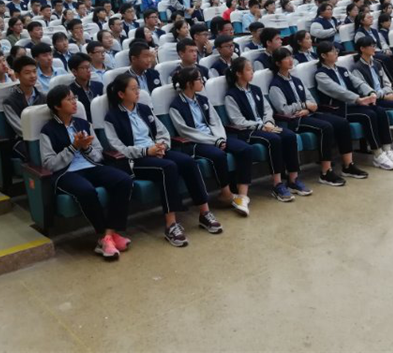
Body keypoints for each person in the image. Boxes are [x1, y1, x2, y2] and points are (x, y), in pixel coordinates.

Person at [104, 74, 222, 247]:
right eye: (133, 89)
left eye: (138, 88)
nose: (138, 92)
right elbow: (118, 148)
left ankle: (204, 213)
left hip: (156, 151)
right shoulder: (112, 117)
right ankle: (171, 225)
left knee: (188, 162)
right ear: (121, 94)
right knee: (168, 167)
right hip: (135, 160)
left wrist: (162, 146)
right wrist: (146, 151)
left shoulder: (144, 109)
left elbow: (162, 131)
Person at [41, 84, 134, 261]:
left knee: (124, 180)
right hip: (66, 173)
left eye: (74, 98)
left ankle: (108, 235)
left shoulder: (83, 124)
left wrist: (86, 148)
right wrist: (73, 147)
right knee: (86, 190)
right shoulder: (48, 130)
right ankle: (105, 237)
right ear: (57, 106)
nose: (74, 102)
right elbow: (49, 164)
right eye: (69, 99)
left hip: (91, 166)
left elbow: (99, 154)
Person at [269, 48, 367, 183]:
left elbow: (313, 103)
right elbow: (284, 110)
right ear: (277, 63)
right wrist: (304, 105)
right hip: (294, 120)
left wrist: (307, 109)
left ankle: (348, 165)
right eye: (286, 58)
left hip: (308, 114)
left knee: (342, 123)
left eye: (291, 56)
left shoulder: (297, 80)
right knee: (325, 127)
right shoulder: (275, 85)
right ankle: (326, 172)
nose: (290, 60)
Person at [169, 67, 254, 216]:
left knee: (245, 149)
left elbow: (216, 121)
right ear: (189, 84)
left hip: (216, 137)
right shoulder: (176, 106)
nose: (202, 82)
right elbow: (186, 132)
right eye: (198, 79)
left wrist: (220, 138)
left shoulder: (203, 100)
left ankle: (242, 195)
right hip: (196, 143)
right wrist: (215, 141)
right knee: (218, 155)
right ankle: (226, 194)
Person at [224, 57, 308, 202]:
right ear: (238, 73)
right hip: (248, 131)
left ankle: (293, 180)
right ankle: (277, 184)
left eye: (252, 69)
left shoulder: (256, 90)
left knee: (289, 135)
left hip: (266, 126)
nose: (252, 72)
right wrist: (261, 126)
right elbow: (237, 121)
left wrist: (268, 122)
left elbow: (267, 109)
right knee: (274, 140)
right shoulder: (231, 95)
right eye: (248, 70)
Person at [314, 42, 393, 170]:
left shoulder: (342, 70)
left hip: (353, 104)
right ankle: (378, 154)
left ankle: (387, 150)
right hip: (339, 109)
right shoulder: (321, 74)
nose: (336, 53)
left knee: (379, 110)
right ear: (323, 55)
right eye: (332, 51)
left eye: (336, 51)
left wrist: (371, 93)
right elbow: (338, 91)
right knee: (368, 115)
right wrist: (358, 99)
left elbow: (358, 83)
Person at [3, 56, 47, 159]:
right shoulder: (9, 102)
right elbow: (21, 130)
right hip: (23, 140)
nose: (33, 76)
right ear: (17, 75)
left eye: (34, 72)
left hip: (44, 138)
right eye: (27, 73)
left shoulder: (44, 97)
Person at [67, 53, 104, 121]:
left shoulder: (99, 85)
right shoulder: (69, 92)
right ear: (74, 71)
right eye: (84, 68)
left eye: (89, 67)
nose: (88, 70)